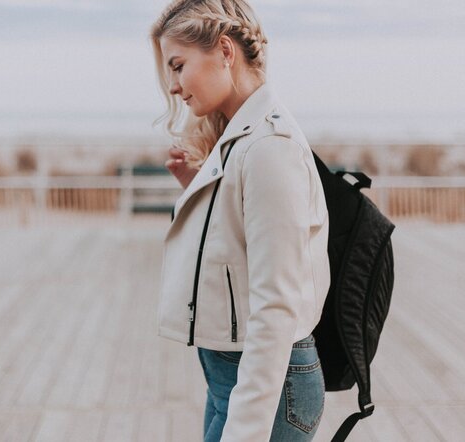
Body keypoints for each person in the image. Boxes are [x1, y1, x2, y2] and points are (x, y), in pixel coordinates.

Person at [151, 1, 331, 441]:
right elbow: (237, 244)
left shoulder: (269, 147)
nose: (174, 86)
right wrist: (197, 187)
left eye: (178, 66)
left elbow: (276, 305)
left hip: (266, 389)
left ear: (225, 51)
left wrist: (246, 430)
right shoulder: (241, 135)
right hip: (233, 381)